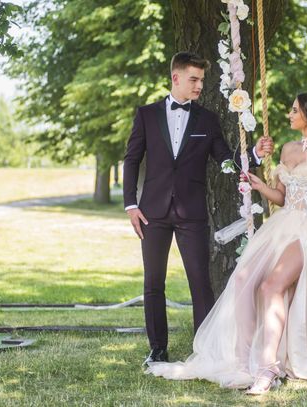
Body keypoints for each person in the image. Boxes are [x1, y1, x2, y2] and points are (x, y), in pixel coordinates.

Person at [146, 92, 307, 394]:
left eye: (294, 110)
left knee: (271, 286)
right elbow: (282, 197)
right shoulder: (288, 149)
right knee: (243, 278)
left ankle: (268, 367)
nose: (289, 114)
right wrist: (260, 186)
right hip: (283, 224)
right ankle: (245, 361)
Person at [123, 51, 274, 365]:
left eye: (202, 80)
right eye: (194, 79)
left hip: (192, 213)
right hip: (151, 212)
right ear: (175, 77)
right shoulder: (146, 115)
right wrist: (130, 205)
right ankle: (157, 349)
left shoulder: (207, 119)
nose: (199, 86)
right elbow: (132, 160)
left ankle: (205, 351)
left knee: (200, 282)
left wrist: (255, 156)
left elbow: (226, 162)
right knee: (153, 283)